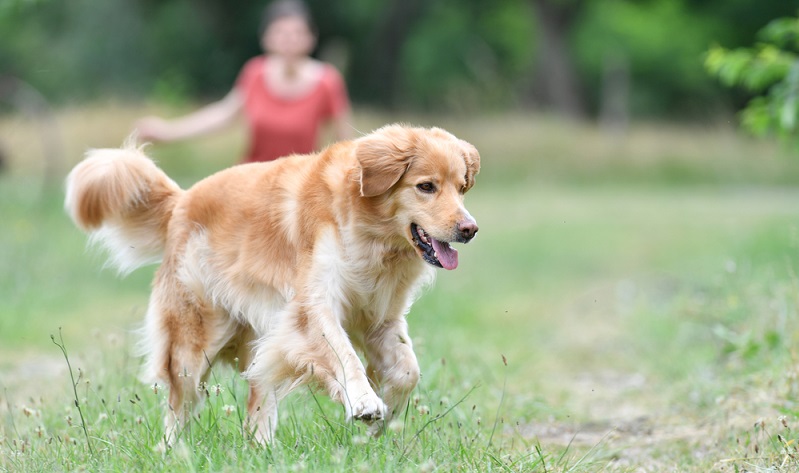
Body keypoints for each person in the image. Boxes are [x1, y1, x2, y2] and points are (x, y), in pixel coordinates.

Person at [136, 0, 351, 163]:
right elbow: (223, 114)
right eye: (281, 33)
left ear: (311, 38)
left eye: (297, 33)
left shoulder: (327, 81)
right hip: (251, 187)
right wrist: (168, 131)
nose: (289, 40)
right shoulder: (254, 73)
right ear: (266, 38)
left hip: (299, 193)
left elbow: (345, 146)